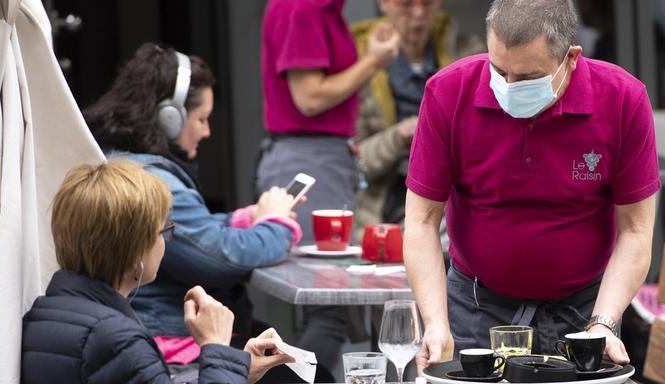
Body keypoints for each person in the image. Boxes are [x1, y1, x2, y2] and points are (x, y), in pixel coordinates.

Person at [403, 0, 660, 373]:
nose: (507, 87)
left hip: (584, 312)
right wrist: (436, 323)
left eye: (526, 78)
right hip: (476, 306)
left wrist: (604, 322)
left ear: (570, 58)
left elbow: (637, 230)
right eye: (498, 69)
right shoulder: (448, 92)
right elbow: (422, 221)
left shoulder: (622, 99)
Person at [84, 44, 303, 371]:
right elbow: (219, 258)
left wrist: (246, 219)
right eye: (201, 119)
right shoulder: (155, 183)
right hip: (172, 345)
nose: (207, 130)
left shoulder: (119, 161)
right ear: (169, 118)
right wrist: (275, 225)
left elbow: (193, 234)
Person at [21, 161, 294, 384]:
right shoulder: (116, 340)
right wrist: (217, 345)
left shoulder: (49, 311)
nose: (165, 241)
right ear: (137, 252)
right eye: (164, 231)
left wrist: (237, 368)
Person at [257, 0, 400, 374]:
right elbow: (310, 98)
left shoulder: (327, 10)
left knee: (327, 312)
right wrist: (373, 62)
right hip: (310, 159)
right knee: (328, 311)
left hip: (324, 159)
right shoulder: (302, 7)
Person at [350, 0, 457, 239]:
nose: (418, 13)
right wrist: (398, 136)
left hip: (450, 203)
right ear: (384, 4)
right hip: (387, 206)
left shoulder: (464, 53)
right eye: (406, 4)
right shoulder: (360, 66)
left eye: (427, 3)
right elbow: (353, 164)